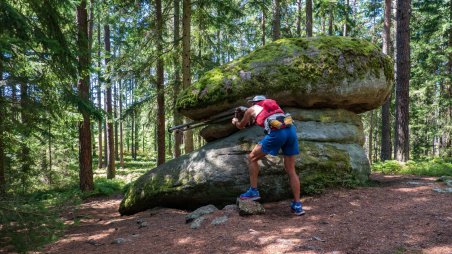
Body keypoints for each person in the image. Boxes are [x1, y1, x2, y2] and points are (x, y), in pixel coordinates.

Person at [231, 95, 305, 216]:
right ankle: (297, 205)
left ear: (254, 103)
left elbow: (241, 125)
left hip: (277, 133)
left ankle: (253, 191)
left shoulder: (251, 109)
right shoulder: (274, 106)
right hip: (291, 131)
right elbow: (265, 117)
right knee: (291, 169)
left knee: (252, 158)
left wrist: (235, 121)